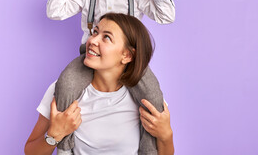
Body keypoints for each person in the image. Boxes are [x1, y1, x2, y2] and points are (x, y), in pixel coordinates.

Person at [46, 0, 175, 153]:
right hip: (91, 58)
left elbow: (166, 16)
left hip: (131, 62)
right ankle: (65, 147)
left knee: (153, 97)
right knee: (65, 85)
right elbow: (55, 12)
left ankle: (147, 150)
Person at [25, 13, 174, 155]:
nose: (92, 41)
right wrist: (55, 134)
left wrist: (166, 135)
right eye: (95, 32)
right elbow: (30, 151)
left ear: (127, 55)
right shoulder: (61, 90)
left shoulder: (146, 102)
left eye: (107, 37)